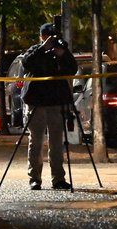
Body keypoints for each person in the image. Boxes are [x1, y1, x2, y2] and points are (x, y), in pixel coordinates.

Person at [21, 23, 78, 190]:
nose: (51, 40)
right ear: (42, 37)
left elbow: (72, 69)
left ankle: (58, 178)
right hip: (36, 101)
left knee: (56, 141)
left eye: (53, 37)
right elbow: (27, 63)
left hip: (56, 100)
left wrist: (62, 54)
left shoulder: (61, 50)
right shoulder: (35, 50)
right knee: (36, 140)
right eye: (47, 36)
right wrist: (42, 49)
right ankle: (34, 179)